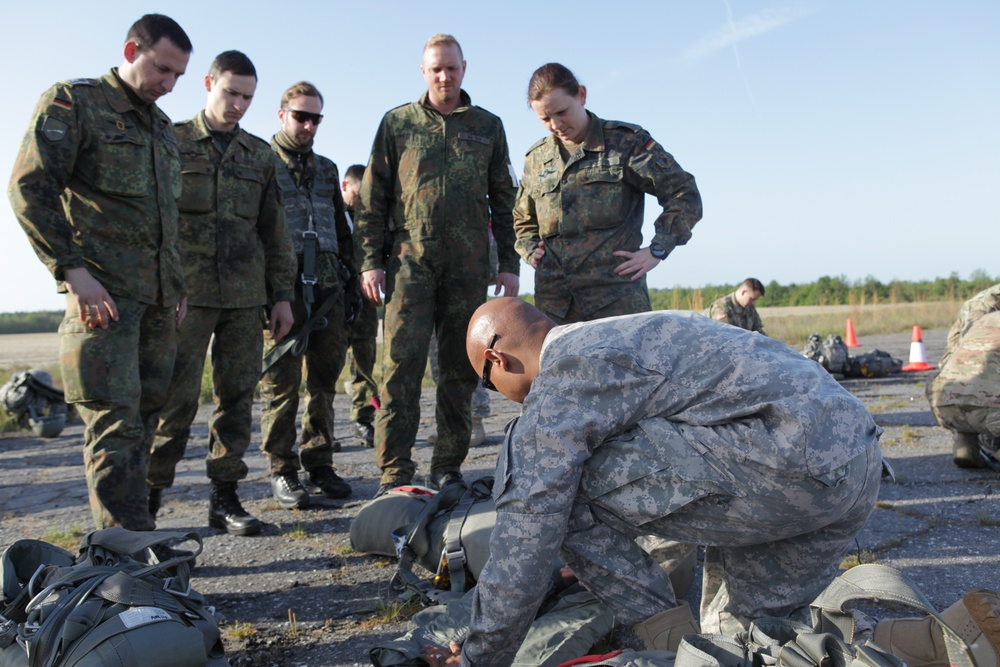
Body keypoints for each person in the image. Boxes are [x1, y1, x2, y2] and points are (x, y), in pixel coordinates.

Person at [428, 297, 885, 666]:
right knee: (742, 644)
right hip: (857, 467)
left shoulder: (562, 380)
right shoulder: (629, 329)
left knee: (554, 489)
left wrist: (478, 658)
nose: (500, 395)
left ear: (496, 358)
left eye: (489, 384)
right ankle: (914, 641)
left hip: (789, 469)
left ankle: (663, 637)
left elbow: (525, 540)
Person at [8, 14, 192, 531]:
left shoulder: (160, 125)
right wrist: (71, 271)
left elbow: (167, 218)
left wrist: (175, 285)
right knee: (114, 427)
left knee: (145, 421)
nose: (169, 84)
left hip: (157, 301)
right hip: (103, 300)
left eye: (178, 75)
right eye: (162, 69)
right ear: (131, 50)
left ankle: (134, 539)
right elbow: (29, 188)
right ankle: (119, 558)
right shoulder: (76, 102)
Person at [356, 34, 520, 496]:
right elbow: (373, 199)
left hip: (468, 269)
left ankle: (447, 466)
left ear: (464, 68)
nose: (444, 76)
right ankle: (395, 473)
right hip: (410, 265)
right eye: (436, 69)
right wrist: (370, 262)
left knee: (459, 372)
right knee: (401, 369)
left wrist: (508, 263)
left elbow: (504, 200)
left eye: (451, 68)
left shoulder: (488, 126)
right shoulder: (397, 123)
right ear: (424, 72)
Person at [147, 51, 296, 536]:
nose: (238, 105)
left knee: (236, 399)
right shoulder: (171, 140)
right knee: (175, 399)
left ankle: (224, 498)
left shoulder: (260, 156)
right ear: (208, 83)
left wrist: (280, 297)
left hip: (243, 297)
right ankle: (146, 503)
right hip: (184, 298)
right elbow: (154, 221)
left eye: (248, 98)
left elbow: (276, 233)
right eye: (231, 93)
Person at [513, 63, 702, 325]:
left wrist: (658, 249)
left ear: (581, 95)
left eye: (561, 112)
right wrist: (530, 249)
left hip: (616, 301)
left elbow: (684, 194)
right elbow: (522, 219)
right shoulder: (536, 159)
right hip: (556, 305)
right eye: (545, 119)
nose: (555, 124)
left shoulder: (626, 143)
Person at [261, 81, 360, 509]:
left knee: (324, 382)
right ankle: (282, 470)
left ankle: (319, 462)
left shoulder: (326, 169)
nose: (307, 125)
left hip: (328, 289)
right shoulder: (262, 162)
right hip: (282, 287)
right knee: (282, 383)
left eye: (315, 118)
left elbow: (342, 230)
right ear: (281, 115)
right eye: (300, 116)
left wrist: (352, 281)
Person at [928, 303, 1000, 471]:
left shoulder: (978, 321)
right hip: (991, 412)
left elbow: (946, 359)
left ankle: (965, 445)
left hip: (945, 407)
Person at [342, 163, 378, 448]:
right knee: (323, 371)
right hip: (334, 301)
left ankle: (362, 420)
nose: (363, 199)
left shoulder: (369, 220)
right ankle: (318, 433)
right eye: (359, 192)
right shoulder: (330, 215)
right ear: (345, 186)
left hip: (364, 301)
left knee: (364, 364)